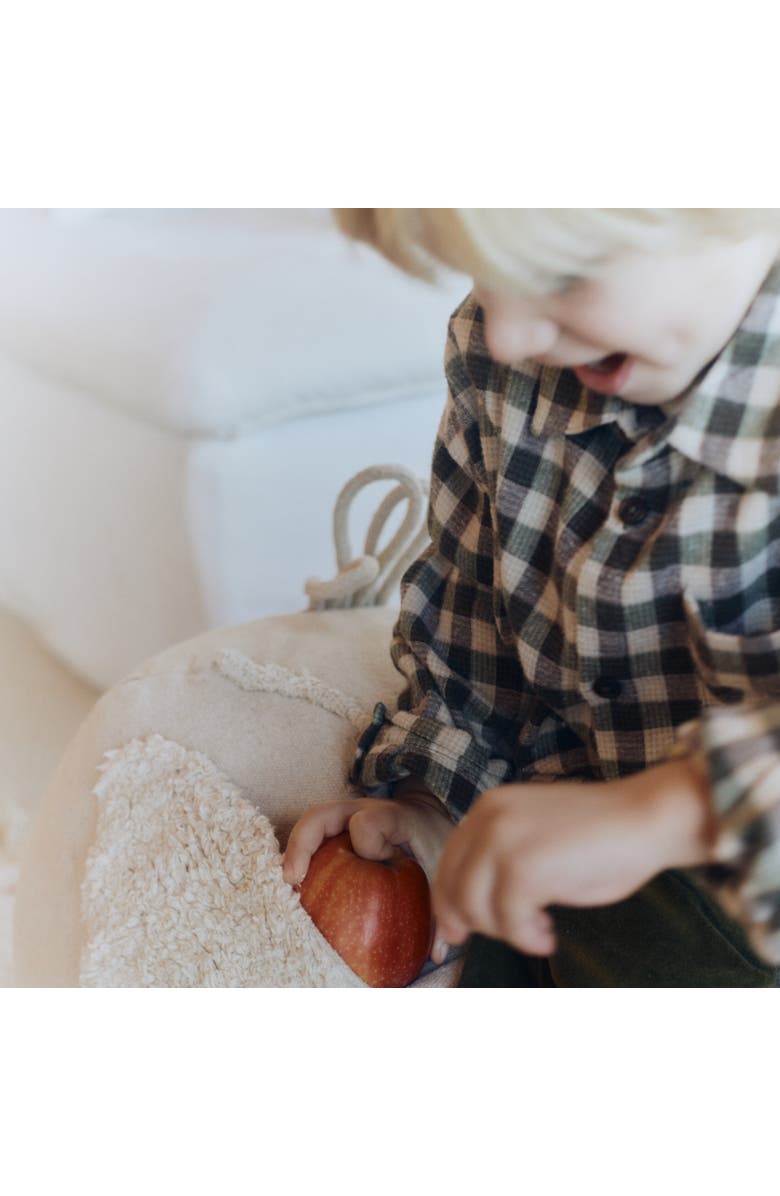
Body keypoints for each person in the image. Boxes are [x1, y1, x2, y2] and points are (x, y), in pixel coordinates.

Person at [283, 208, 780, 986]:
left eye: (558, 276)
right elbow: (469, 617)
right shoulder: (498, 357)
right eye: (488, 281)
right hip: (568, 850)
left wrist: (663, 815)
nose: (510, 333)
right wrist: (432, 803)